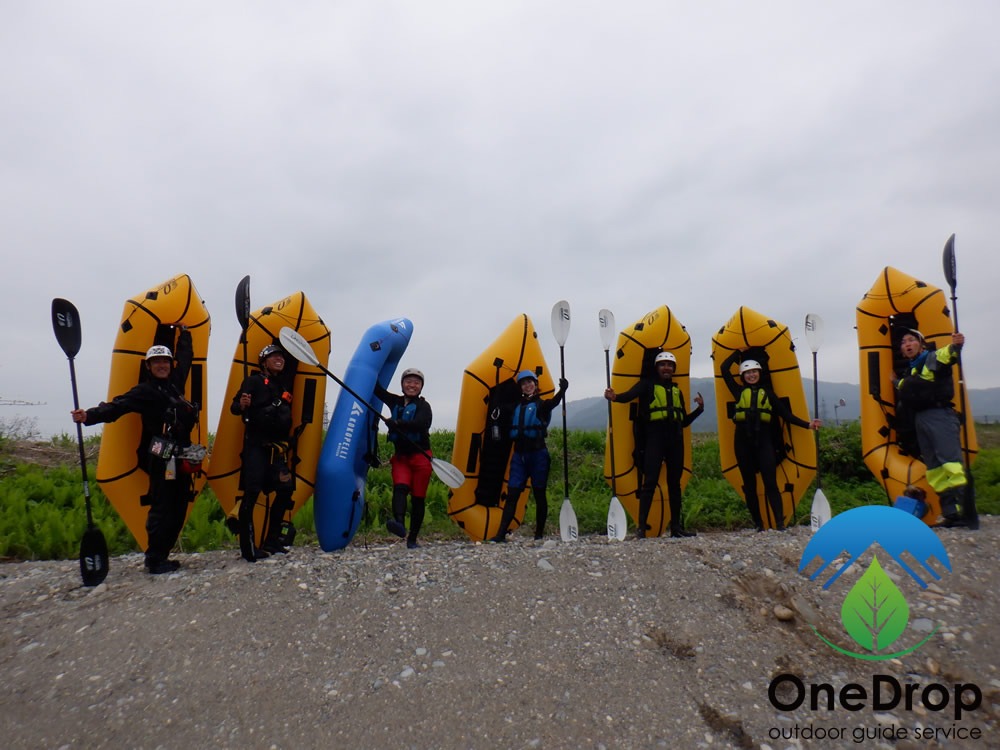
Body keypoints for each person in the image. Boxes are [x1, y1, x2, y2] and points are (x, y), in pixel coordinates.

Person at [72, 331, 199, 574]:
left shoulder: (176, 385)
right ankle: (154, 559)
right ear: (149, 367)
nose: (161, 365)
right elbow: (117, 406)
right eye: (156, 362)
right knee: (162, 506)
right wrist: (89, 416)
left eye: (165, 362)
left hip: (181, 453)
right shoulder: (144, 391)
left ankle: (164, 554)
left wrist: (185, 333)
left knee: (180, 504)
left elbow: (186, 357)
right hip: (162, 454)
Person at [604, 351, 703, 539]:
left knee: (675, 485)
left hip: (675, 441)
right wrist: (614, 396)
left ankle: (676, 528)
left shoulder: (676, 391)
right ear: (656, 367)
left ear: (673, 369)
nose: (667, 368)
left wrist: (699, 410)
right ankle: (641, 528)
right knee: (648, 483)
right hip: (654, 439)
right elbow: (628, 396)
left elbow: (683, 421)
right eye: (663, 364)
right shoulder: (647, 385)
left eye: (670, 365)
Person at [721, 352, 820, 532]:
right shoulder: (737, 391)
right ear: (743, 376)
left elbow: (785, 415)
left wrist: (808, 425)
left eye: (754, 372)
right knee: (749, 486)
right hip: (743, 444)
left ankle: (779, 525)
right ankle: (758, 524)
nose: (751, 375)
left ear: (760, 373)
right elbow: (724, 369)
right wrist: (738, 354)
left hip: (764, 443)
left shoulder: (768, 393)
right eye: (747, 373)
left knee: (771, 483)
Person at [895, 329, 977, 529]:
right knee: (935, 469)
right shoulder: (912, 371)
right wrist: (894, 382)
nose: (907, 344)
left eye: (912, 340)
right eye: (904, 342)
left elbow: (947, 354)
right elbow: (906, 386)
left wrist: (957, 345)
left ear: (921, 345)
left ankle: (968, 515)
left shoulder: (932, 357)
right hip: (921, 419)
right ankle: (950, 514)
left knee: (951, 465)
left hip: (940, 416)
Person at [230, 343, 297, 562]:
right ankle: (248, 549)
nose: (279, 359)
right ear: (264, 361)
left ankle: (272, 540)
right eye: (274, 356)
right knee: (252, 495)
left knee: (286, 490)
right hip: (256, 448)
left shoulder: (283, 383)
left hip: (276, 450)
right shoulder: (254, 381)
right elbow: (234, 407)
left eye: (281, 356)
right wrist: (242, 404)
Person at [489, 370, 567, 542]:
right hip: (519, 457)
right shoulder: (515, 407)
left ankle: (538, 534)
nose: (528, 385)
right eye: (524, 383)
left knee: (539, 494)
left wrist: (562, 391)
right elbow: (500, 406)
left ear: (536, 384)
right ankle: (501, 534)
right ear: (521, 388)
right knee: (512, 495)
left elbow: (554, 403)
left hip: (538, 455)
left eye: (530, 382)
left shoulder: (542, 405)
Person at [375, 368, 433, 549]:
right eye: (408, 381)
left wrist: (398, 423)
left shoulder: (424, 406)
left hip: (421, 457)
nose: (412, 385)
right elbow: (377, 390)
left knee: (418, 498)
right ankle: (399, 525)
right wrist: (375, 366)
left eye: (416, 382)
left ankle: (413, 539)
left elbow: (422, 423)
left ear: (421, 387)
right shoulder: (395, 401)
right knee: (399, 488)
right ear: (402, 384)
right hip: (401, 458)